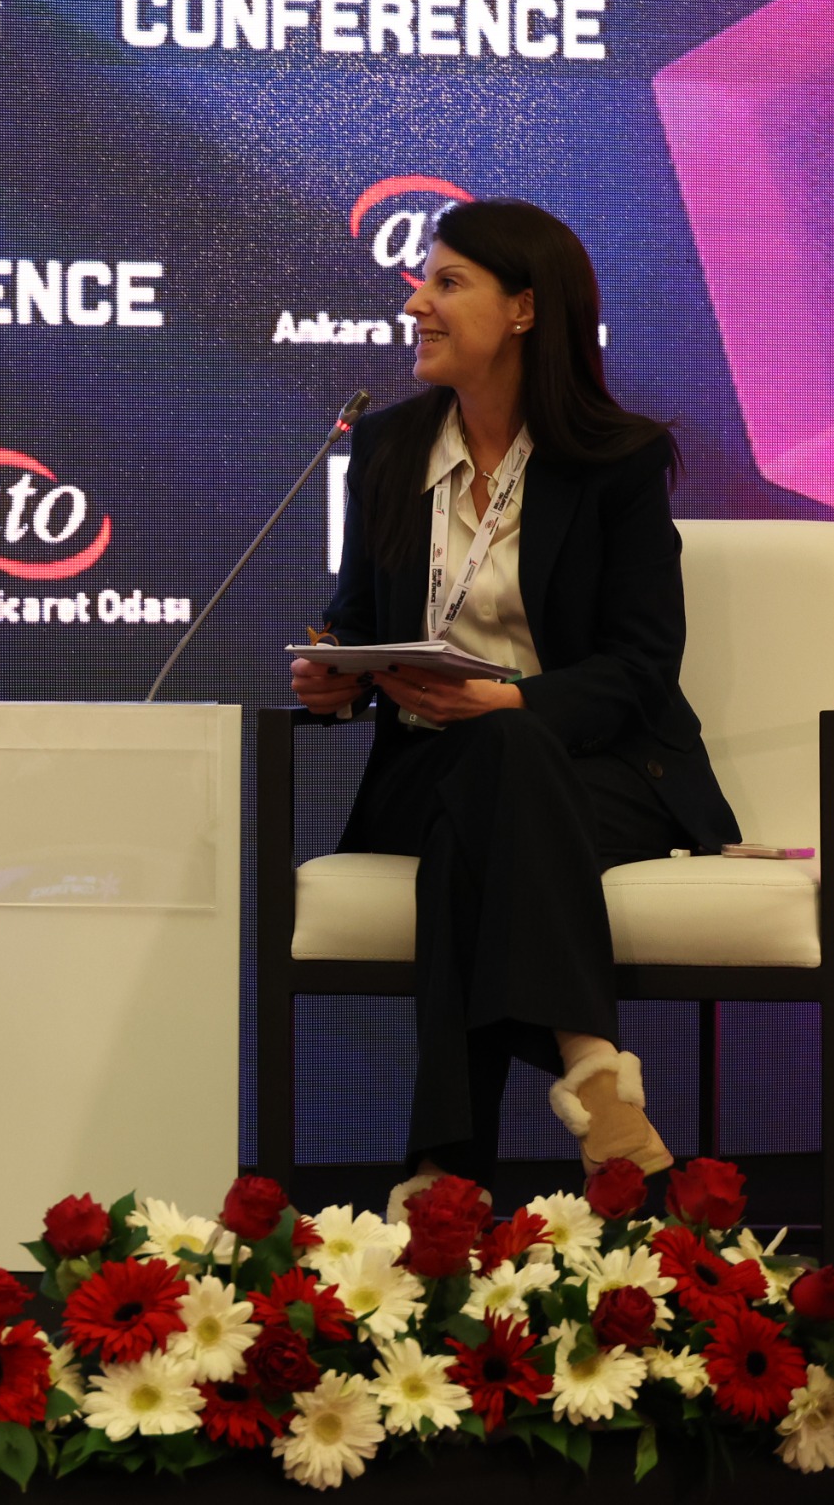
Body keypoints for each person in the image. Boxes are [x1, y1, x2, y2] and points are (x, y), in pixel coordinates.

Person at [290, 198, 736, 1213]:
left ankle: (443, 1174)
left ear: (524, 310)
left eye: (447, 283)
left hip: (600, 771)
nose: (416, 303)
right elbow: (354, 619)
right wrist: (332, 679)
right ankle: (591, 1068)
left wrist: (512, 698)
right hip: (427, 768)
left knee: (499, 765)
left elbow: (641, 666)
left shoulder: (616, 459)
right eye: (423, 281)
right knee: (485, 776)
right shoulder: (391, 447)